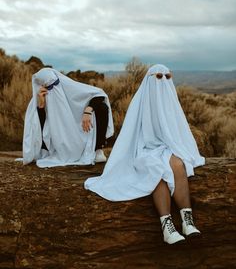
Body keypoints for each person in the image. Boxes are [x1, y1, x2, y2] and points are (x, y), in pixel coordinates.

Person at [85, 64, 205, 245]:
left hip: (167, 148)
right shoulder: (140, 103)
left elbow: (178, 132)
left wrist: (176, 149)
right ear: (149, 79)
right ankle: (167, 226)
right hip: (143, 150)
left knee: (178, 165)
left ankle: (187, 221)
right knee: (155, 169)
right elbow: (131, 135)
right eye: (158, 77)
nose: (163, 81)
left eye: (167, 76)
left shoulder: (170, 102)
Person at [22, 68, 114, 168]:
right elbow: (39, 129)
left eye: (55, 83)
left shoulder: (69, 87)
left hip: (83, 128)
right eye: (49, 87)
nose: (53, 88)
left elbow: (99, 94)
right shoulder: (41, 98)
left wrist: (88, 111)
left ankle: (98, 149)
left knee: (102, 107)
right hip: (59, 139)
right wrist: (41, 106)